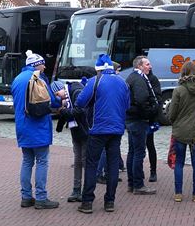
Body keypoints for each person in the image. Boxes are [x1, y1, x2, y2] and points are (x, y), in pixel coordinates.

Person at [75, 54, 130, 213]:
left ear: (98, 69)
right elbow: (126, 105)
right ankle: (110, 202)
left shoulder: (95, 81)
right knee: (113, 164)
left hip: (97, 129)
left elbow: (80, 102)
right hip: (116, 129)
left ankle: (87, 202)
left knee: (92, 164)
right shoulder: (122, 82)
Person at [11, 50, 60, 209]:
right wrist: (61, 98)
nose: (45, 66)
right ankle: (41, 198)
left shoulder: (17, 79)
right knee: (42, 161)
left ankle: (26, 197)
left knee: (26, 161)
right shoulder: (38, 79)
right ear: (36, 65)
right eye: (42, 64)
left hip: (22, 127)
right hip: (38, 126)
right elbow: (52, 102)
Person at [167, 61, 195, 202]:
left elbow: (172, 112)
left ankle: (178, 193)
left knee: (179, 162)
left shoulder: (179, 90)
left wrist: (172, 121)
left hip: (181, 129)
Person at [125, 56, 160, 195]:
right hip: (138, 120)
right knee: (139, 152)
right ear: (140, 66)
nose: (150, 67)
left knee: (132, 152)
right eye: (147, 64)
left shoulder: (131, 78)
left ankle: (131, 183)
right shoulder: (139, 80)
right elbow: (141, 100)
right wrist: (151, 111)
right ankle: (138, 185)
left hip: (131, 119)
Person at [52, 79, 89, 203]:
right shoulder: (67, 96)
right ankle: (76, 190)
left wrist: (63, 111)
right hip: (77, 131)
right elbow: (67, 111)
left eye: (57, 94)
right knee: (78, 161)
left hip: (85, 131)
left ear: (61, 89)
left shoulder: (76, 92)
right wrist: (59, 126)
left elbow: (80, 111)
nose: (58, 97)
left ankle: (86, 191)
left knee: (85, 161)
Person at [146, 67, 162, 182]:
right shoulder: (135, 78)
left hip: (149, 117)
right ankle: (137, 172)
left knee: (150, 144)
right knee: (136, 148)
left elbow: (158, 98)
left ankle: (153, 171)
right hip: (139, 117)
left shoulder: (152, 79)